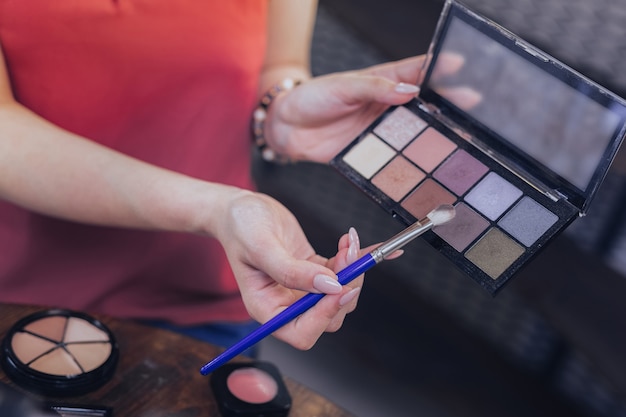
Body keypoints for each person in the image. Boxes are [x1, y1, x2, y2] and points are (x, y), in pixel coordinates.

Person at [0, 0, 427, 351]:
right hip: (20, 298)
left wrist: (279, 113)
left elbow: (278, 63)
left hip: (205, 295)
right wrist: (215, 210)